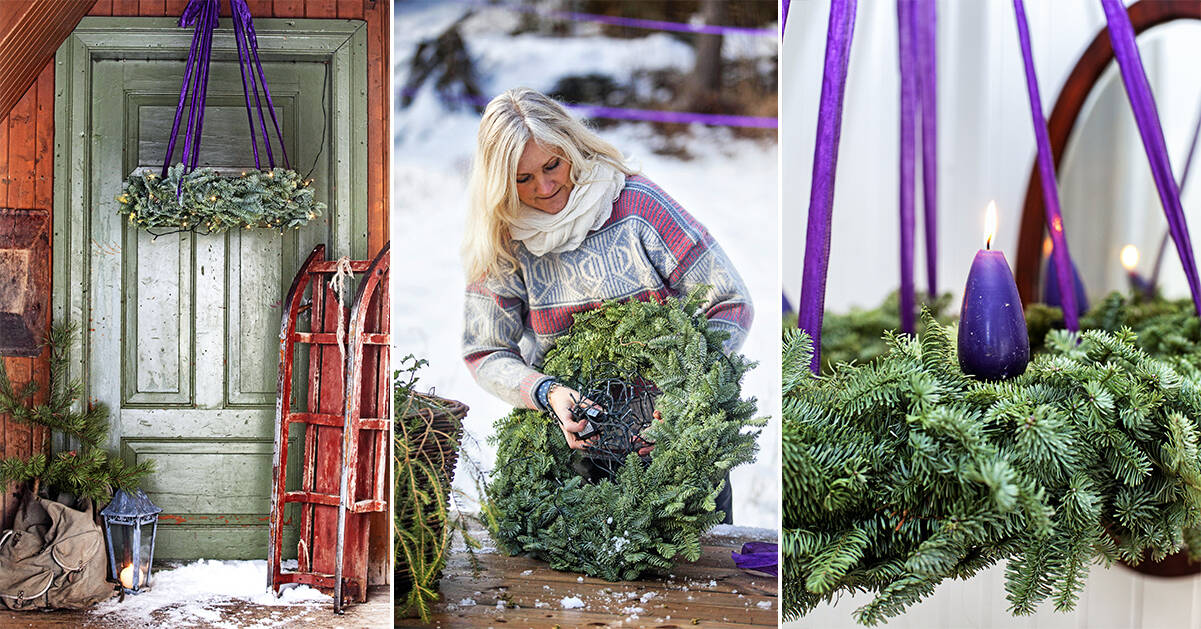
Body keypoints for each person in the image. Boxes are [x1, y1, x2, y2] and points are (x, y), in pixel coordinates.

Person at [460, 88, 752, 521]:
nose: (544, 187)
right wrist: (549, 393)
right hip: (575, 463)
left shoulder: (636, 207)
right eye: (523, 179)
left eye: (552, 165)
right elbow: (485, 349)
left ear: (571, 148)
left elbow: (728, 300)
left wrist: (683, 394)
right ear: (501, 183)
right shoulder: (505, 242)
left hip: (677, 446)